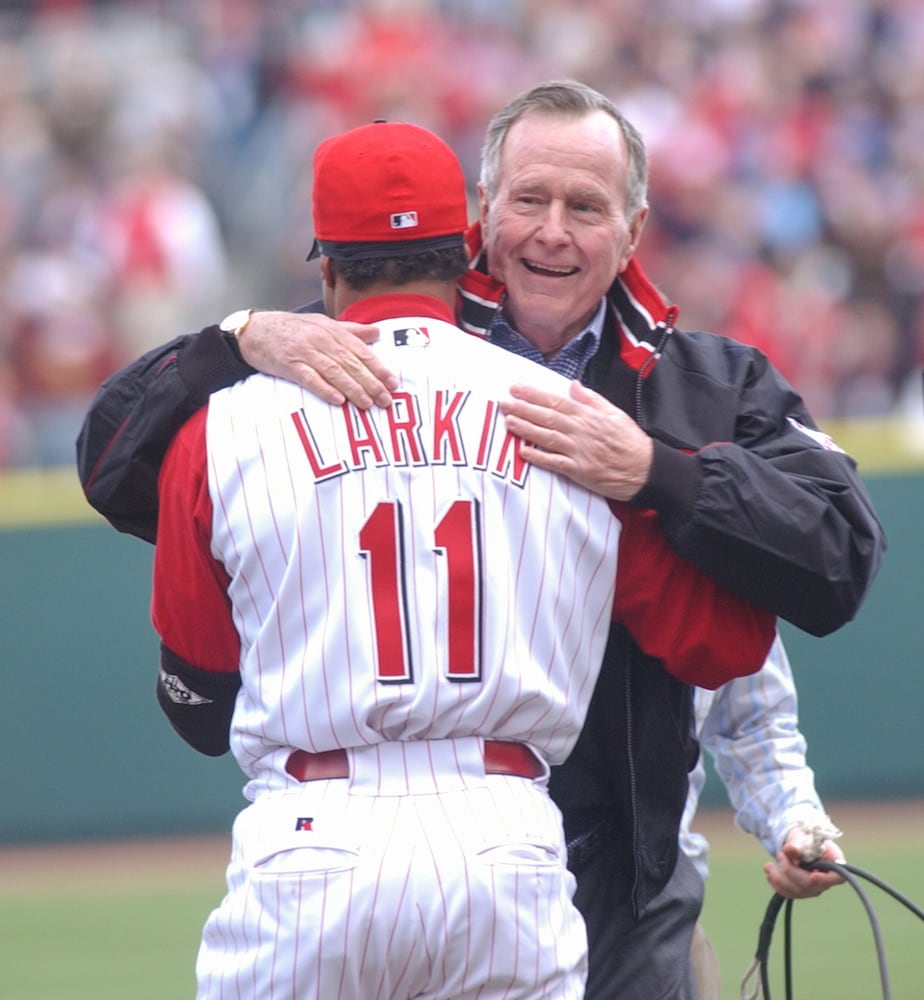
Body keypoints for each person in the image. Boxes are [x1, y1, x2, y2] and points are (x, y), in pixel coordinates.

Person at [77, 80, 886, 999]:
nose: (552, 230)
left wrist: (666, 474)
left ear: (633, 228)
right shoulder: (351, 368)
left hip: (602, 873)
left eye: (585, 207)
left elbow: (823, 568)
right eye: (529, 200)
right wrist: (236, 337)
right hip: (511, 844)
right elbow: (722, 635)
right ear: (479, 215)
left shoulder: (704, 388)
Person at [681, 635, 846, 999]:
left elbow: (754, 723)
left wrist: (798, 825)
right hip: (531, 884)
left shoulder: (725, 578)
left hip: (657, 905)